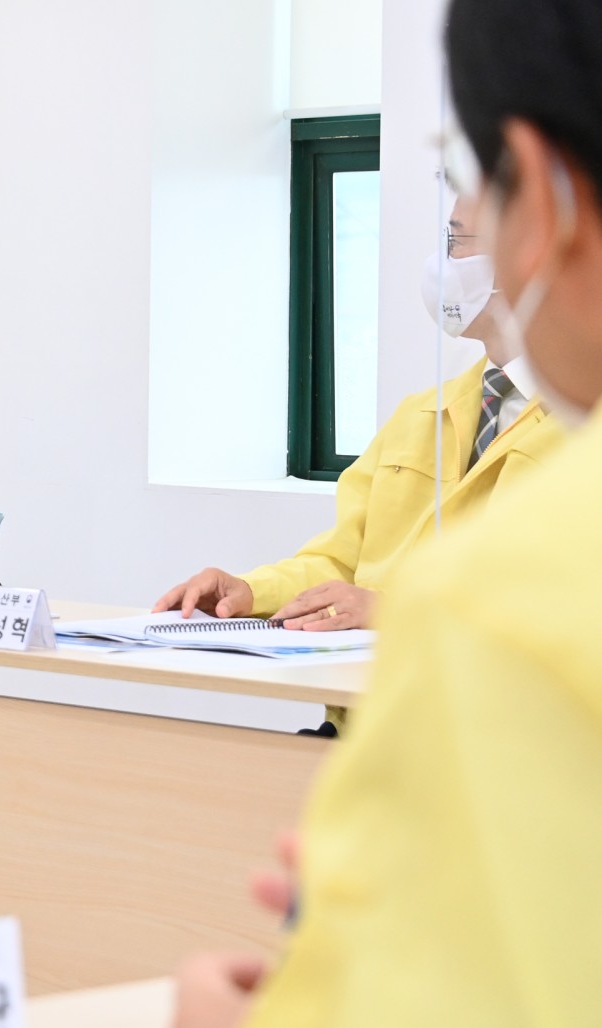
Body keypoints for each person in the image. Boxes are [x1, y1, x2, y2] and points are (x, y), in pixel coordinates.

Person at [175, 0, 602, 1022]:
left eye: (475, 205)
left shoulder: (512, 592)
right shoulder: (429, 412)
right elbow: (339, 551)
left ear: (538, 188)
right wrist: (253, 591)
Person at [153, 196, 563, 633]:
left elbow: (562, 604)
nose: (442, 263)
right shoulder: (420, 415)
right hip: (372, 677)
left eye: (457, 241)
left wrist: (396, 612)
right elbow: (342, 562)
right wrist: (250, 592)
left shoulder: (582, 430)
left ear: (528, 256)